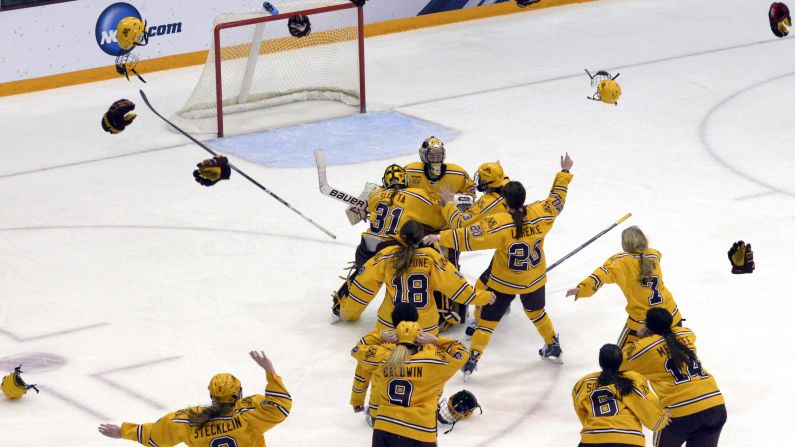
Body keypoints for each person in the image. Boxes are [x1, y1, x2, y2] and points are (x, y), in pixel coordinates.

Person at [424, 153, 574, 376]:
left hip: (503, 282)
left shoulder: (499, 224)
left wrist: (439, 236)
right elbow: (557, 200)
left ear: (506, 199)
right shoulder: (541, 212)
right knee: (537, 312)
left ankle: (473, 359)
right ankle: (553, 345)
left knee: (486, 323)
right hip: (533, 278)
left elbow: (468, 236)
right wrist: (564, 173)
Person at [338, 220, 495, 421]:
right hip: (424, 327)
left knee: (381, 368)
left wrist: (348, 310)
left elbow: (362, 286)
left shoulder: (385, 256)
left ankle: (376, 411)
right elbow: (456, 287)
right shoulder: (431, 258)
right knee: (433, 370)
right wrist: (482, 297)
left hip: (390, 325)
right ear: (421, 238)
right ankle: (427, 407)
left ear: (399, 237)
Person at [97, 351, 291, 447]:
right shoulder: (250, 413)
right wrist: (270, 371)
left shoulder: (190, 420)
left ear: (212, 395)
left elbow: (156, 435)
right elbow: (280, 405)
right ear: (238, 393)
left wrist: (124, 431)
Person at [333, 164, 446, 316]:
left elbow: (356, 213)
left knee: (364, 280)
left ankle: (342, 307)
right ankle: (443, 310)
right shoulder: (418, 195)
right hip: (391, 255)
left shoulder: (374, 196)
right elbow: (440, 221)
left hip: (365, 251)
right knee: (429, 249)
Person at [352, 303, 470, 446]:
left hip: (384, 427)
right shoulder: (433, 358)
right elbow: (462, 353)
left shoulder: (381, 355)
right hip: (422, 430)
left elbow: (357, 349)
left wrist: (380, 336)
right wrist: (436, 340)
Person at [622, 308, 726, 447]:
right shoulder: (686, 333)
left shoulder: (644, 348)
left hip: (680, 411)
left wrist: (636, 336)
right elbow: (677, 335)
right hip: (714, 404)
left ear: (647, 326)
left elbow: (617, 362)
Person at [565, 226, 683, 348]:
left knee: (619, 357)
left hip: (643, 323)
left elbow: (602, 274)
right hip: (671, 316)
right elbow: (655, 255)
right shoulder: (654, 255)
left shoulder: (621, 262)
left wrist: (582, 289)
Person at [572, 344, 669, 447]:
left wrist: (595, 427)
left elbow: (581, 410)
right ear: (620, 361)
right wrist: (661, 418)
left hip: (591, 440)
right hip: (628, 440)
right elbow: (645, 402)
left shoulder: (584, 382)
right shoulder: (632, 378)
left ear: (600, 362)